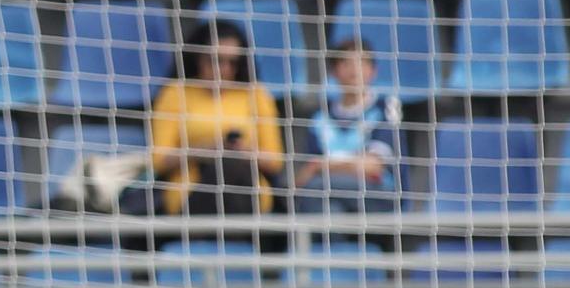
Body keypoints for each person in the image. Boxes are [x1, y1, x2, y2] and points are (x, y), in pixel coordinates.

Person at [147, 20, 285, 217]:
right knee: (224, 169)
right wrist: (205, 150)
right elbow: (159, 159)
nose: (224, 69)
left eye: (233, 62)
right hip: (191, 192)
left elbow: (275, 161)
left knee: (231, 166)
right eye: (216, 60)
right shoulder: (175, 93)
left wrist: (240, 151)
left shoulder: (256, 95)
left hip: (249, 192)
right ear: (198, 58)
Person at [294, 38, 401, 214]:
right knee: (329, 209)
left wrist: (321, 166)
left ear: (373, 71)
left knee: (316, 187)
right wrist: (351, 161)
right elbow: (305, 172)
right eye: (346, 63)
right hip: (328, 194)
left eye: (361, 62)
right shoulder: (320, 118)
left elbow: (373, 166)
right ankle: (336, 242)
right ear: (334, 71)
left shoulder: (385, 109)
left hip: (376, 192)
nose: (354, 70)